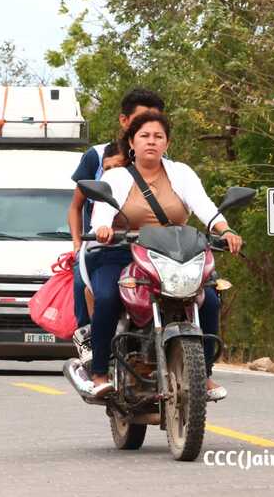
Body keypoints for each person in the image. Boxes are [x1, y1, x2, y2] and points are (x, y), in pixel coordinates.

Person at [87, 111, 243, 399]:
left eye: (158, 136)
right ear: (131, 142)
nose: (151, 142)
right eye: (145, 136)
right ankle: (98, 373)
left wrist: (226, 229)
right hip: (122, 252)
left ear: (167, 143)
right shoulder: (117, 176)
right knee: (108, 297)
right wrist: (103, 229)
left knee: (208, 299)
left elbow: (204, 206)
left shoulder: (181, 173)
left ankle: (204, 373)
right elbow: (102, 213)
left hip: (175, 255)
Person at [68, 89, 166, 328]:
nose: (149, 128)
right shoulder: (97, 155)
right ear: (124, 121)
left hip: (153, 246)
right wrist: (78, 245)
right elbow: (76, 206)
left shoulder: (161, 159)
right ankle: (89, 342)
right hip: (104, 243)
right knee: (84, 283)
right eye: (141, 121)